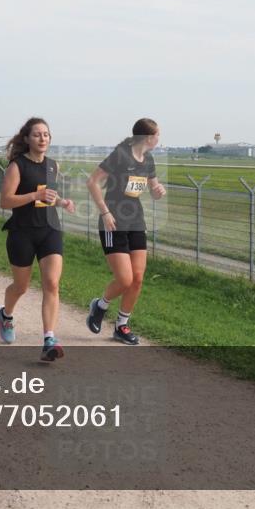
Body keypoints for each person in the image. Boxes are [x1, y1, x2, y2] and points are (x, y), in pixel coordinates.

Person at [0, 118, 75, 362]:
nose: (43, 139)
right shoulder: (17, 166)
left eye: (46, 135)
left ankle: (49, 338)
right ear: (27, 139)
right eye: (37, 134)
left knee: (51, 283)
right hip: (22, 231)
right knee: (21, 286)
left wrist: (61, 202)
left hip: (50, 229)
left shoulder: (53, 165)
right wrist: (34, 195)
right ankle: (6, 315)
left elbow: (48, 194)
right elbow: (6, 201)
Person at [85, 118, 166, 345]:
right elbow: (92, 182)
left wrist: (159, 190)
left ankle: (122, 326)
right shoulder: (120, 155)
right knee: (124, 278)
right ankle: (100, 306)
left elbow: (153, 190)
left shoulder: (148, 160)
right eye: (158, 134)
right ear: (148, 137)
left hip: (136, 222)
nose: (159, 138)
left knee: (137, 279)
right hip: (113, 222)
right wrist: (105, 212)